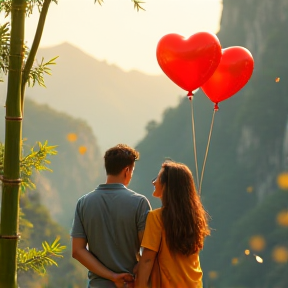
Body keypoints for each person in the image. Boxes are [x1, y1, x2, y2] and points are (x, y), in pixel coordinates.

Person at [71, 144, 151, 288]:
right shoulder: (140, 203)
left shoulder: (83, 203)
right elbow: (147, 252)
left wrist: (112, 276)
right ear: (127, 170)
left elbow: (77, 251)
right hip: (129, 284)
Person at [135, 160, 210, 288]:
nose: (153, 182)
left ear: (167, 185)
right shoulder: (195, 217)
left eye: (157, 178)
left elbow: (148, 259)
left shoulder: (157, 217)